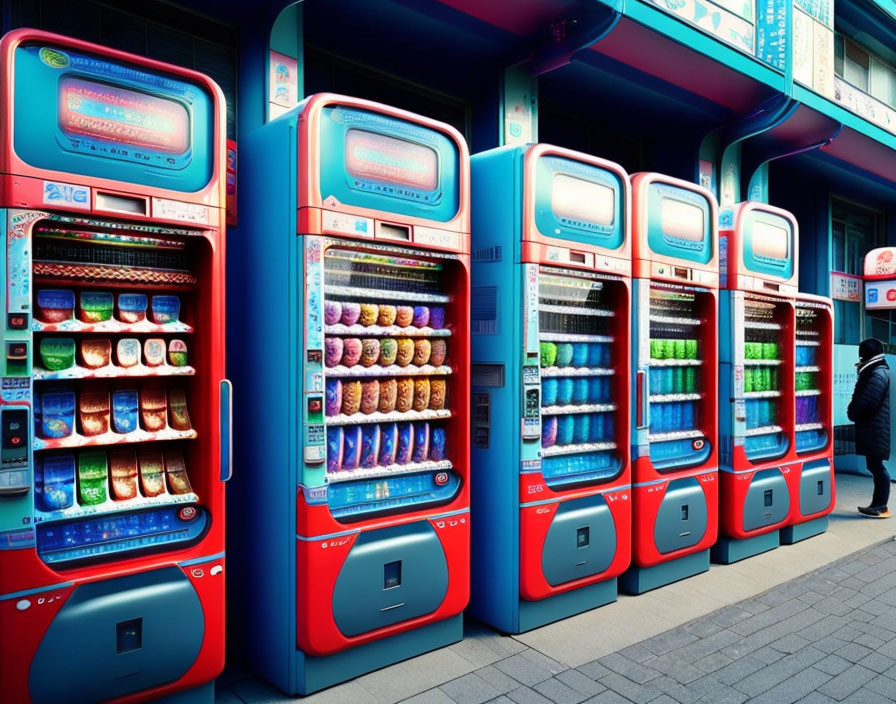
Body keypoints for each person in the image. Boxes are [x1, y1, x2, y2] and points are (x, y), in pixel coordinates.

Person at [847, 337, 891, 518]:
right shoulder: (877, 370)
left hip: (875, 429)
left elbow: (867, 403)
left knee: (876, 466)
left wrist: (852, 412)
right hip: (875, 428)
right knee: (874, 465)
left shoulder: (876, 374)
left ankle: (880, 506)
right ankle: (878, 505)